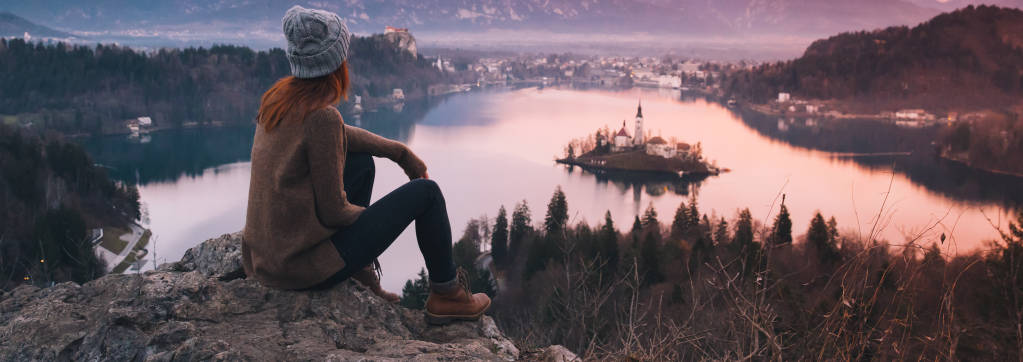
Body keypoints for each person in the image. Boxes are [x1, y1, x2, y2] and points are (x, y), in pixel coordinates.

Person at [242, 5, 490, 325]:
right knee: (427, 193)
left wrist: (399, 153)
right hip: (299, 268)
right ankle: (447, 295)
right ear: (335, 62)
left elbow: (341, 136)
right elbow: (334, 212)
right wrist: (377, 224)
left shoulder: (278, 100)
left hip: (264, 260)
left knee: (361, 163)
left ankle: (359, 273)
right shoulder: (321, 116)